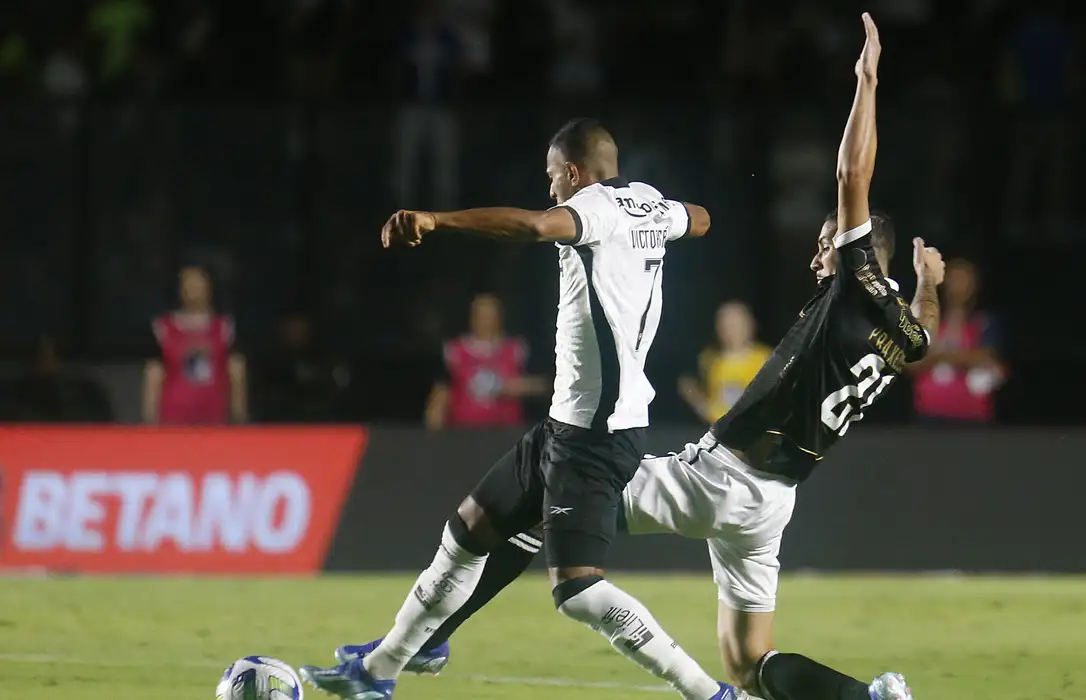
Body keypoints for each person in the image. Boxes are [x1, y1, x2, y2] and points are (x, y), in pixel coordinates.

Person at [334, 15, 942, 700]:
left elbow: (850, 169)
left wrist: (866, 81)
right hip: (774, 503)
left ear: (863, 250)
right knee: (752, 662)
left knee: (552, 511)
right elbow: (919, 335)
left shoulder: (852, 282)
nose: (818, 253)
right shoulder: (900, 330)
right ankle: (869, 698)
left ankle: (428, 643)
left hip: (719, 479)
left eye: (829, 242)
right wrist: (928, 289)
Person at [298, 118, 757, 700]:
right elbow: (702, 218)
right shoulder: (647, 205)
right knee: (469, 528)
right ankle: (384, 667)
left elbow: (536, 225)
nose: (549, 190)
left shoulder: (592, 208)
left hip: (596, 433)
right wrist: (669, 216)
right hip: (567, 423)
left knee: (579, 591)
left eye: (551, 178)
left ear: (571, 172)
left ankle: (712, 695)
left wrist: (438, 220)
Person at [424, 293, 547, 431]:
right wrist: (435, 425)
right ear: (472, 317)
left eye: (491, 315)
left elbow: (542, 385)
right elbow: (441, 392)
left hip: (508, 433)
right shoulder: (455, 352)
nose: (486, 320)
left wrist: (509, 386)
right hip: (465, 433)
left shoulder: (517, 350)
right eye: (482, 315)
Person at [142, 265, 247, 425]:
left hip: (214, 417)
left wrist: (239, 417)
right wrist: (149, 420)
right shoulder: (162, 328)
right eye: (188, 283)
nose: (193, 288)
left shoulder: (225, 328)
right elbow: (154, 374)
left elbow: (236, 371)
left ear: (209, 287)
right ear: (180, 289)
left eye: (198, 282)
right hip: (173, 418)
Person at [908, 258, 1005, 424]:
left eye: (964, 279)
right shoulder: (926, 319)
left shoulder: (984, 322)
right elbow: (911, 363)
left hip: (972, 416)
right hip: (930, 415)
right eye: (954, 279)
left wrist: (941, 354)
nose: (958, 286)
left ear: (975, 284)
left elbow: (984, 358)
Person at [678, 300, 772, 424]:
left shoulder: (767, 359)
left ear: (751, 325)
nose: (731, 330)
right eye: (725, 325)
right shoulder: (708, 359)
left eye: (736, 324)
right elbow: (697, 393)